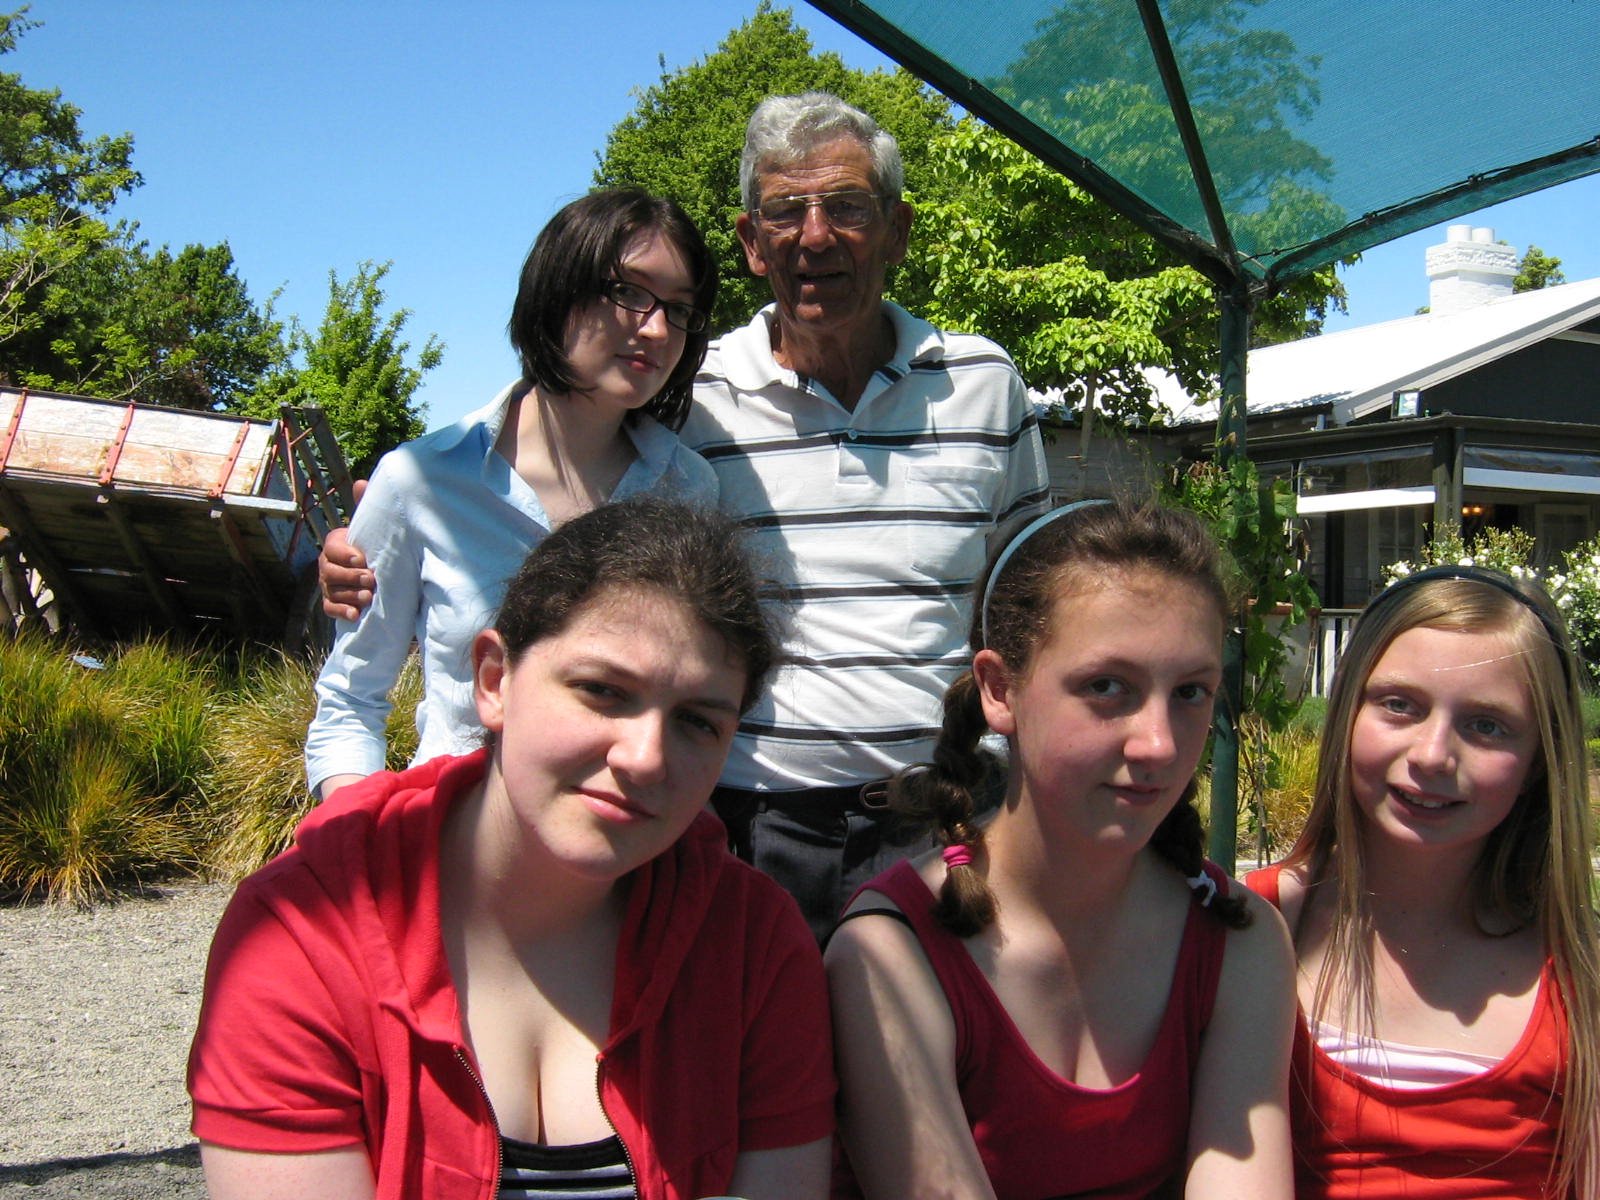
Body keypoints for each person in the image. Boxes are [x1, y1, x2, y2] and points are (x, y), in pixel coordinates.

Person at [321, 93, 1050, 940]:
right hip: (743, 828)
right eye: (786, 211)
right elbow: (548, 447)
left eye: (848, 206)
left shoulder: (982, 386)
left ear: (898, 229)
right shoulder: (683, 402)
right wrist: (365, 543)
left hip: (947, 819)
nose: (816, 235)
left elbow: (1031, 598)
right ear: (751, 243)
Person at [188, 498, 835, 1200]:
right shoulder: (304, 936)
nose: (647, 758)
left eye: (698, 723)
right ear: (494, 680)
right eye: (603, 691)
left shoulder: (751, 945)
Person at [826, 499, 1298, 1199]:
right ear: (1000, 689)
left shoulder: (1237, 938)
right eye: (1107, 687)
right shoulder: (891, 955)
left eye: (1191, 692)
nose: (1159, 744)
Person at [304, 187, 720, 801]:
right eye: (629, 292)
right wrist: (363, 833)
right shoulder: (420, 481)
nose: (657, 329)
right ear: (558, 290)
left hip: (620, 844)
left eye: (679, 308)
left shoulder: (689, 492)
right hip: (446, 841)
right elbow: (350, 700)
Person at [1245, 565, 1600, 1199]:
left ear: (1537, 763)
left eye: (1486, 725)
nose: (1433, 754)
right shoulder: (1253, 931)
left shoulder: (1580, 973)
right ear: (1347, 715)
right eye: (1399, 705)